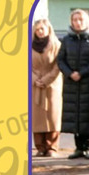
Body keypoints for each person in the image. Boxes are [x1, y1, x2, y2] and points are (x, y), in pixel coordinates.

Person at [57, 9, 89, 160]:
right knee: (75, 115)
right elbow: (60, 60)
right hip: (71, 84)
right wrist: (69, 73)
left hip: (88, 83)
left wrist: (81, 73)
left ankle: (88, 147)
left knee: (88, 115)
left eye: (81, 19)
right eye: (75, 19)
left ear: (87, 21)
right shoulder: (67, 40)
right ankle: (78, 148)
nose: (78, 22)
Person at [31, 19, 62, 157]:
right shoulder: (28, 45)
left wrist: (46, 79)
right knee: (37, 117)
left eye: (42, 29)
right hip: (35, 84)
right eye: (37, 29)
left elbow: (58, 65)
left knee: (52, 116)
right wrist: (33, 79)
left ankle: (52, 147)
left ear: (48, 29)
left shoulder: (56, 45)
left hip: (51, 85)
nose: (40, 32)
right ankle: (40, 147)